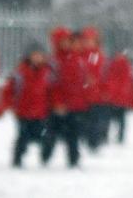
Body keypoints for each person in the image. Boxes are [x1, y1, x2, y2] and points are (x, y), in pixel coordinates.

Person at [42, 26, 87, 168]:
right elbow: (52, 84)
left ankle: (73, 159)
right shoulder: (53, 61)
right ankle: (46, 155)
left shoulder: (76, 58)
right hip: (57, 106)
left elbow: (80, 82)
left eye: (68, 40)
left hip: (74, 104)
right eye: (62, 41)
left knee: (73, 135)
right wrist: (57, 102)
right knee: (52, 133)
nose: (66, 43)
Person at [2, 42, 52, 168]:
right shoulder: (20, 72)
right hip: (23, 112)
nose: (37, 58)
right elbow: (9, 90)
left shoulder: (47, 72)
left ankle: (45, 158)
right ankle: (17, 159)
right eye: (34, 55)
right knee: (23, 137)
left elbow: (51, 90)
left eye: (40, 55)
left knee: (45, 137)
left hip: (41, 112)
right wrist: (9, 105)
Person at [103, 47, 133, 144]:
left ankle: (109, 136)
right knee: (120, 120)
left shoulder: (112, 64)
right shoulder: (127, 66)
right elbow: (131, 83)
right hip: (119, 97)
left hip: (115, 97)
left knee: (110, 119)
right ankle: (119, 137)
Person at [80, 26, 107, 151]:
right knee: (85, 121)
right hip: (84, 95)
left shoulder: (98, 56)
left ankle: (93, 142)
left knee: (94, 121)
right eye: (86, 40)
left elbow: (101, 74)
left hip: (95, 95)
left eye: (91, 40)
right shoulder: (82, 55)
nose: (88, 43)